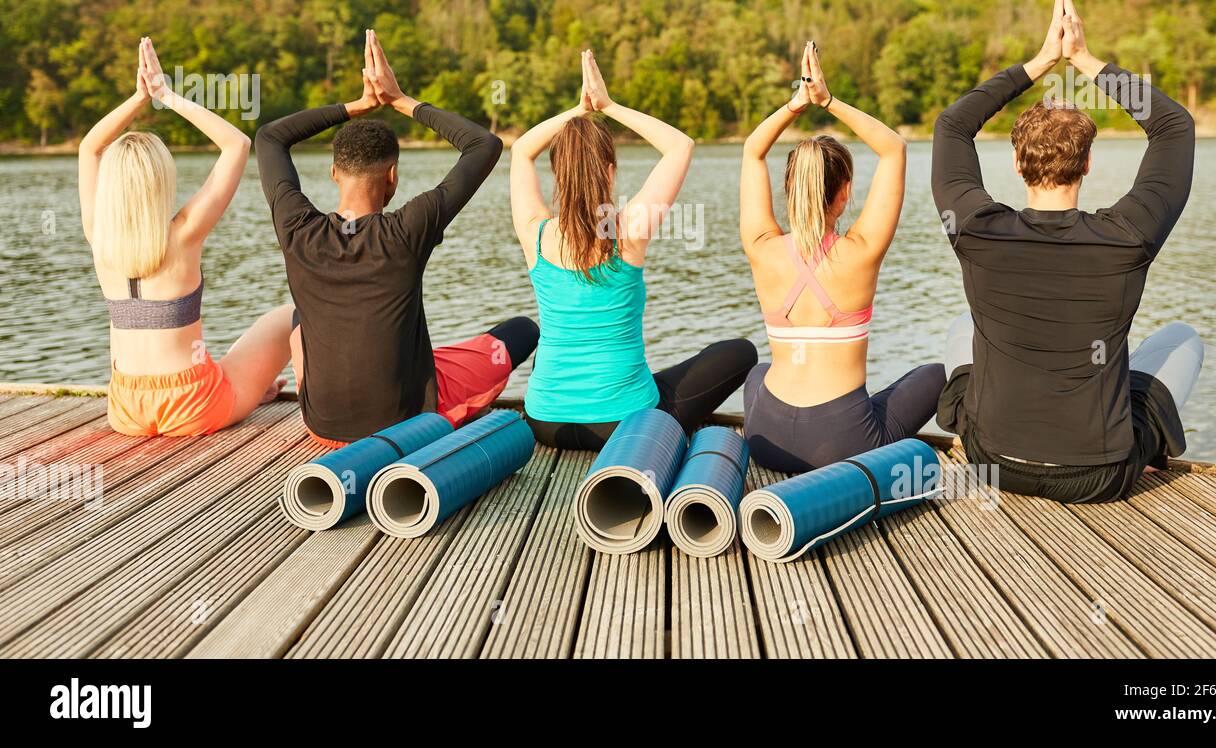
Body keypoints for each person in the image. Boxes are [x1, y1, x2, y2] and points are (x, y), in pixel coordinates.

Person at [931, 0, 1202, 503]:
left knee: (962, 324)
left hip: (993, 462)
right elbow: (1174, 127)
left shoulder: (976, 230)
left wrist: (1040, 62)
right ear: (1088, 165)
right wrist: (1085, 60)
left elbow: (951, 128)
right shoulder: (1128, 236)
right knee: (1183, 338)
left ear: (1015, 164)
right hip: (1100, 475)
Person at [255, 29, 537, 446]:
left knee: (300, 317)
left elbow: (270, 137)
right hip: (407, 423)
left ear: (334, 173)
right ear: (393, 177)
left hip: (322, 425)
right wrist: (400, 100)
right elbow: (484, 144)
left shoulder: (296, 227)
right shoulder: (408, 228)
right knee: (522, 330)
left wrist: (357, 105)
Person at [510, 49, 756, 450]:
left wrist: (577, 110)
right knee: (738, 353)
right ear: (610, 172)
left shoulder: (535, 234)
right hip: (623, 424)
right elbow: (680, 146)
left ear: (556, 174)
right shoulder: (628, 230)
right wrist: (608, 106)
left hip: (545, 421)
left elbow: (520, 150)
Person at [739, 41, 945, 472]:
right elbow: (894, 148)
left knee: (759, 371)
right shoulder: (861, 252)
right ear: (846, 191)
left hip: (766, 437)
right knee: (936, 374)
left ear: (789, 190)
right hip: (841, 445)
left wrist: (796, 103)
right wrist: (827, 100)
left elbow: (753, 151)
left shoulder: (762, 247)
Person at [80, 37, 293, 437]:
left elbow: (90, 148)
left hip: (125, 409)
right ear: (160, 181)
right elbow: (237, 144)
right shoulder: (184, 233)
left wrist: (137, 99)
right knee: (288, 317)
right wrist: (165, 95)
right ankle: (319, 403)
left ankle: (250, 387)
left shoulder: (98, 236)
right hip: (194, 404)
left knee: (227, 362)